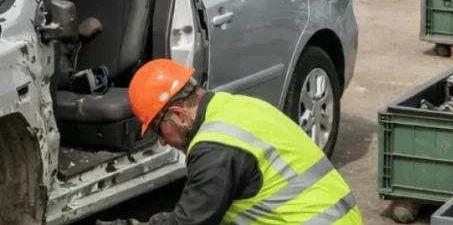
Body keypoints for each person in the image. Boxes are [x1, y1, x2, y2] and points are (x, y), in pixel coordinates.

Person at [99, 59, 361, 225]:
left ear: (178, 115)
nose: (164, 143)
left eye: (159, 130)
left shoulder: (214, 148)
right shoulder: (238, 106)